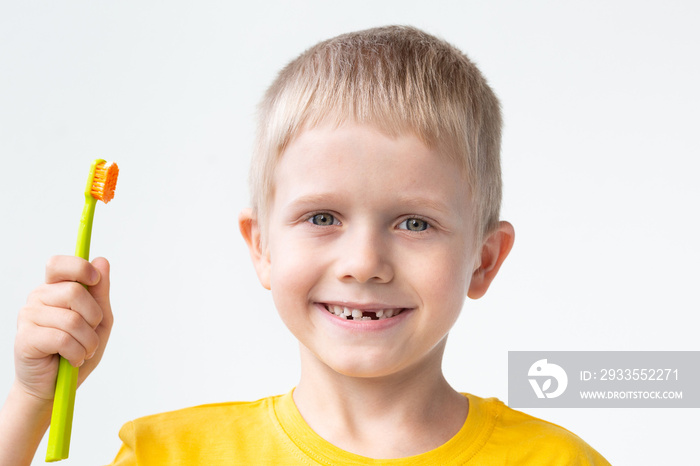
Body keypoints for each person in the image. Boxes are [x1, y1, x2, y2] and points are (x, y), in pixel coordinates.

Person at [0, 25, 611, 465]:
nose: (364, 263)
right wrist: (32, 400)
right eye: (322, 217)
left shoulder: (557, 461)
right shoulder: (172, 456)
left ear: (484, 260)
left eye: (415, 223)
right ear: (261, 247)